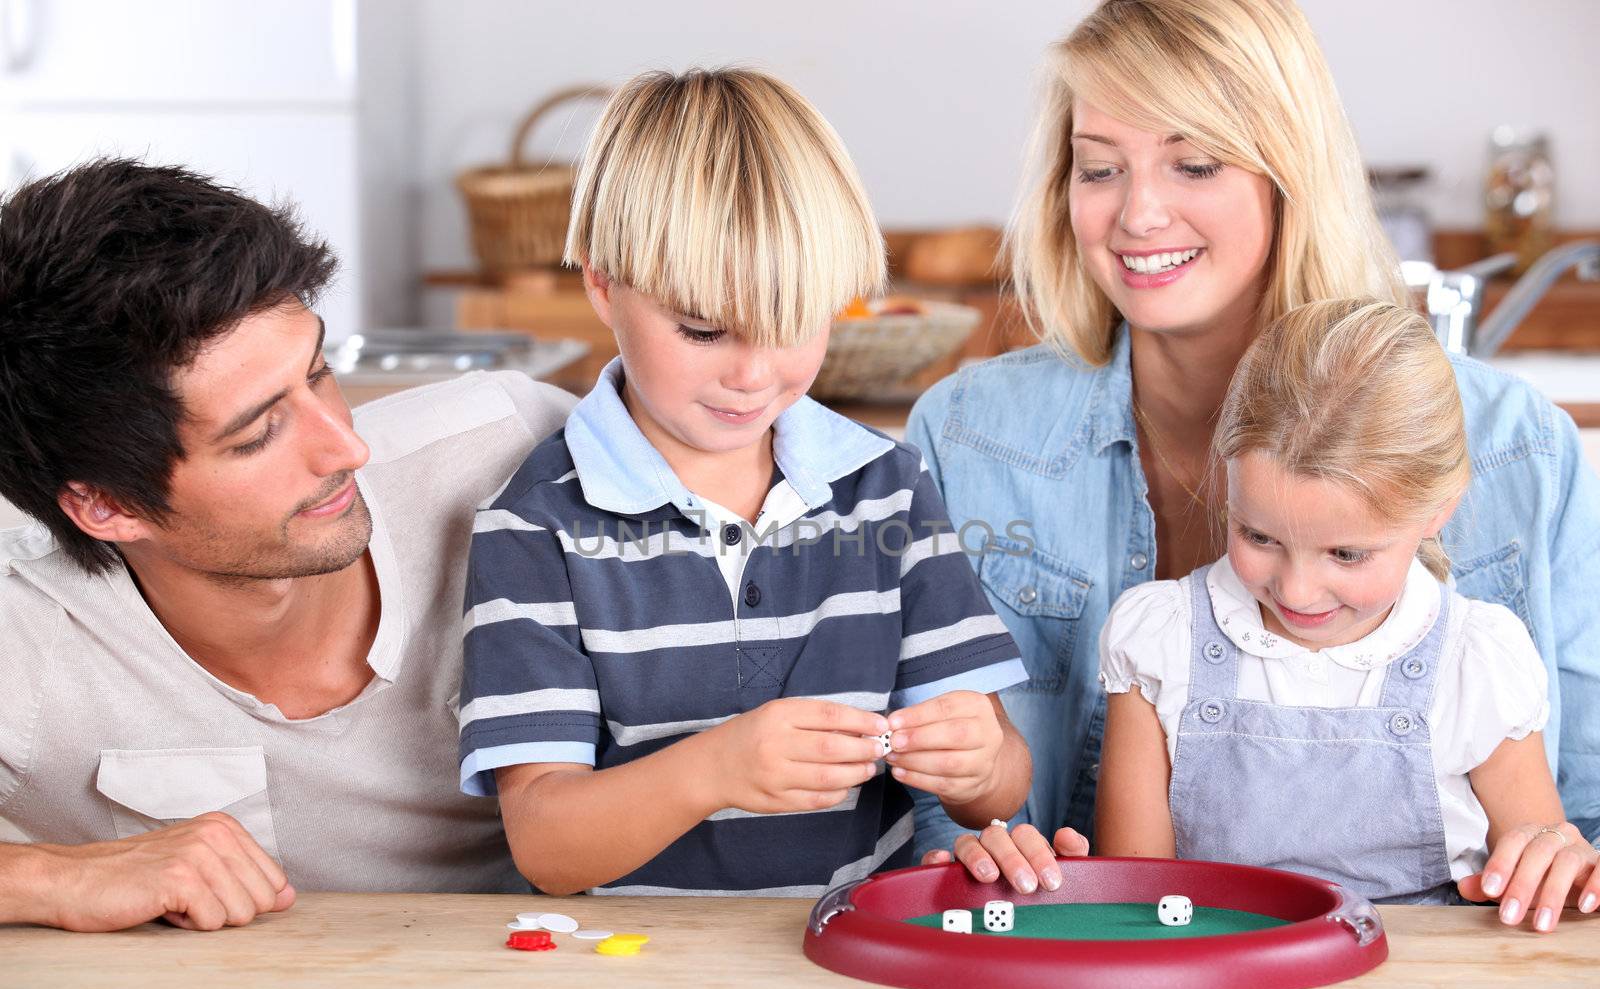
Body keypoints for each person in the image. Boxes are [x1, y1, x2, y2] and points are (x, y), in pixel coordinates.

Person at [906, 0, 1600, 888]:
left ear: (1289, 174)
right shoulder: (968, 438)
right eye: (1099, 169)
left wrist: (1560, 858)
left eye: (1194, 162)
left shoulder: (1517, 449)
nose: (1138, 214)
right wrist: (980, 839)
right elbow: (934, 802)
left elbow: (1580, 813)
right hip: (1090, 967)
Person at [456, 68, 1035, 897]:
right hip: (631, 973)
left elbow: (1001, 783)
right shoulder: (535, 525)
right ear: (601, 282)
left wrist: (980, 762)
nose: (753, 375)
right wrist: (713, 769)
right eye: (703, 329)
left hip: (855, 954)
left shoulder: (887, 488)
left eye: (796, 321)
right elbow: (546, 844)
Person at [0, 159, 574, 931]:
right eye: (260, 432)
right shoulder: (27, 632)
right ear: (106, 505)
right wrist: (46, 878)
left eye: (320, 372)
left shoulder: (513, 450)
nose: (346, 447)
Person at [1090, 299, 1596, 930]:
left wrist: (1561, 862)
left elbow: (1542, 872)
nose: (1298, 592)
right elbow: (1136, 900)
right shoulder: (1160, 639)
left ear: (1437, 509)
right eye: (1259, 537)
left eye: (1347, 553)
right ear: (1228, 478)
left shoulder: (1476, 659)